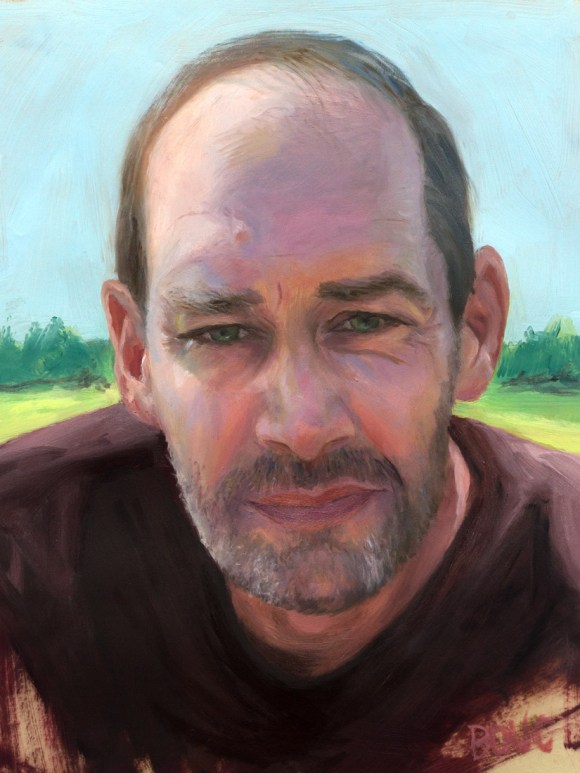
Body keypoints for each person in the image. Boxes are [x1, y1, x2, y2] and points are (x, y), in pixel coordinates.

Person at [0, 30, 579, 772]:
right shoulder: (21, 577)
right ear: (136, 357)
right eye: (220, 333)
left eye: (365, 323)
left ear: (473, 329)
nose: (301, 426)